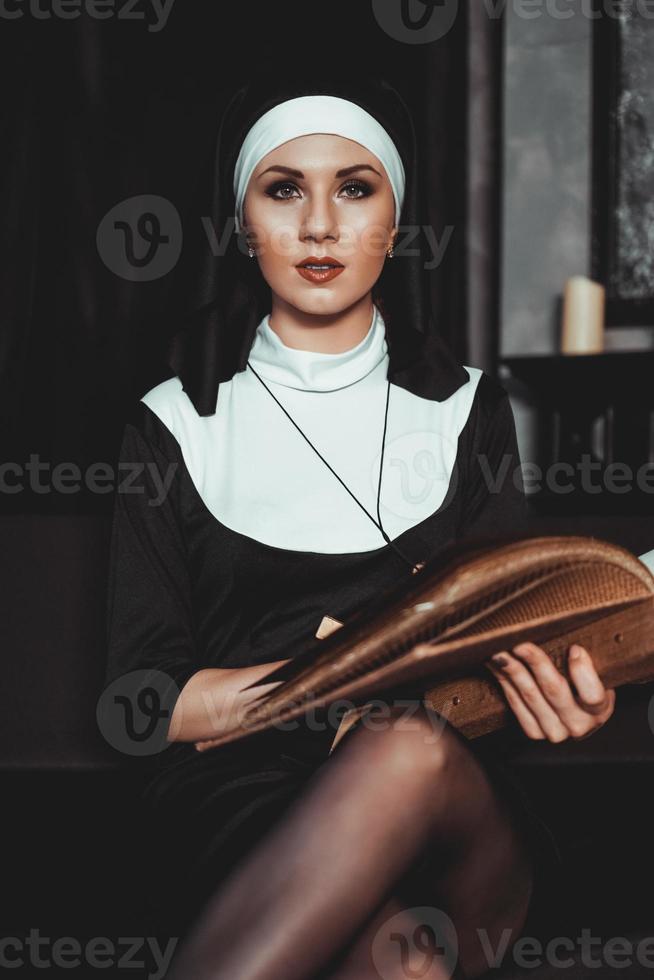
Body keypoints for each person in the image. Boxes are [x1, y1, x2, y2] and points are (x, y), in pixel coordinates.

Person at [102, 75, 616, 979]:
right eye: (284, 188)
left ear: (394, 216)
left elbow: (506, 645)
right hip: (240, 805)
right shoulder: (174, 422)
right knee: (405, 966)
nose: (321, 226)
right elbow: (146, 704)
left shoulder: (465, 410)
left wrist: (572, 695)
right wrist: (332, 690)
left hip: (455, 807)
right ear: (242, 218)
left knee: (407, 743)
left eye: (354, 187)